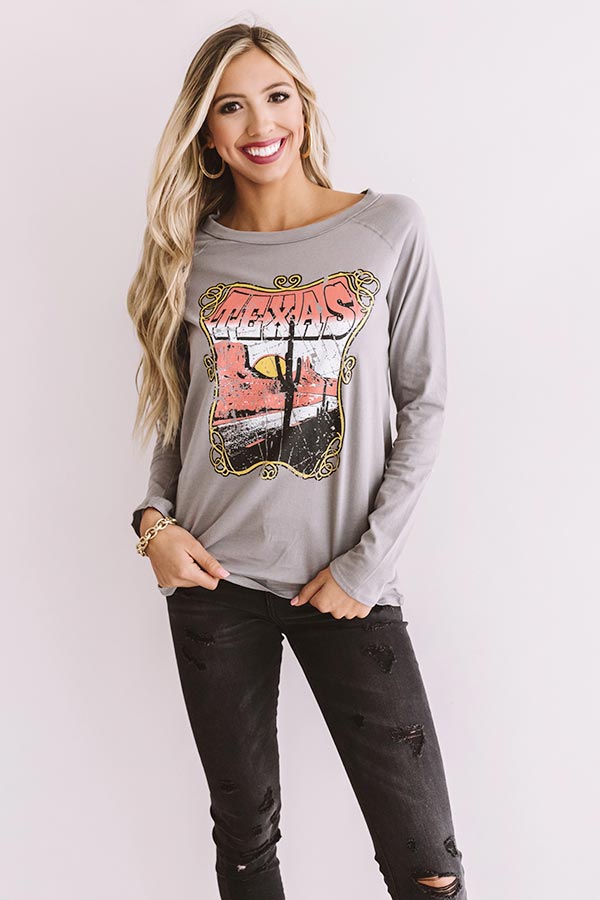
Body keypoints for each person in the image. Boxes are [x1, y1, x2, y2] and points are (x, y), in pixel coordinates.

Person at [127, 20, 468, 900]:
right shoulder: (193, 254)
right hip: (214, 584)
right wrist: (153, 524)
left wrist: (368, 565)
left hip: (346, 585)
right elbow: (180, 415)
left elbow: (425, 404)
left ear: (304, 105)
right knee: (246, 844)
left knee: (427, 862)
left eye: (275, 96)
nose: (259, 124)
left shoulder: (387, 227)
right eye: (230, 107)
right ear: (207, 133)